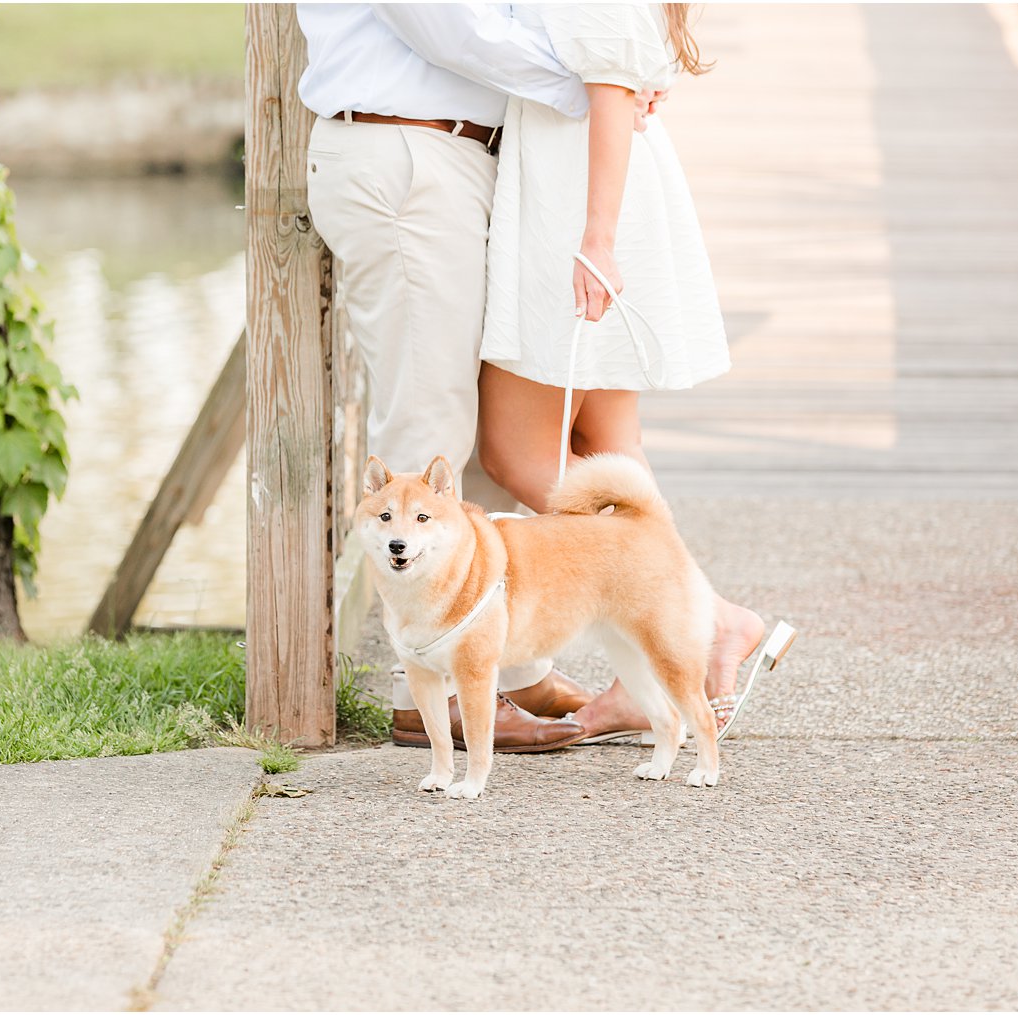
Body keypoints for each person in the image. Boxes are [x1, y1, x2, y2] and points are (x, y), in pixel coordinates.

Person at [296, 4, 603, 752]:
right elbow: (451, 28)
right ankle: (430, 691)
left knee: (493, 416)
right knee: (426, 431)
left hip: (458, 158)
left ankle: (505, 664)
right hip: (403, 155)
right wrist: (594, 79)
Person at [475, 4, 774, 740]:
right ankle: (701, 633)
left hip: (578, 209)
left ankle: (706, 623)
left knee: (518, 452)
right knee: (611, 451)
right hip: (583, 193)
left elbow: (612, 88)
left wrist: (597, 240)